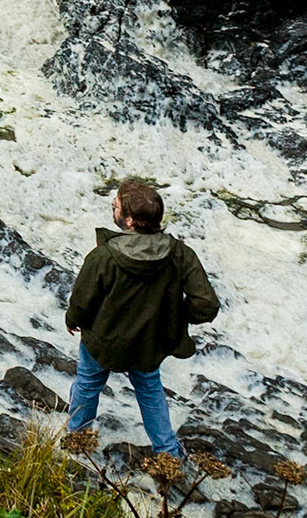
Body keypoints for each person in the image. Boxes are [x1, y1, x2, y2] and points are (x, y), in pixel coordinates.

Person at [63, 179, 220, 459]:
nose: (113, 210)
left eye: (116, 207)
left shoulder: (104, 256)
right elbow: (206, 305)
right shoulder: (181, 254)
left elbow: (82, 301)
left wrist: (73, 319)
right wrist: (173, 316)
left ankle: (76, 439)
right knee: (150, 392)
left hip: (104, 341)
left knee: (87, 384)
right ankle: (168, 452)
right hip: (149, 344)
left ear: (130, 221)